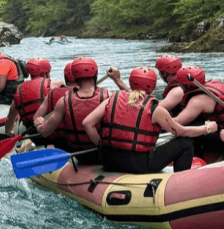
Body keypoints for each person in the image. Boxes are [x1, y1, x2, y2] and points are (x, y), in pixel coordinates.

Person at [82, 68, 215, 174]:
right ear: (152, 86)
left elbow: (87, 123)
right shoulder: (156, 110)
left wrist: (101, 146)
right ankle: (181, 183)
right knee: (185, 143)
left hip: (108, 161)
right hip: (139, 165)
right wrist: (208, 128)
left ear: (131, 82)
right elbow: (181, 132)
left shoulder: (111, 99)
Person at [33, 57, 109, 164]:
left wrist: (38, 124)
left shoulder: (64, 101)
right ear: (95, 74)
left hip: (79, 154)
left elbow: (45, 132)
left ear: (74, 76)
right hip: (104, 152)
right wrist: (117, 80)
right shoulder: (109, 97)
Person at [4, 58, 59, 137]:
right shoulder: (55, 85)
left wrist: (8, 135)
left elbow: (9, 119)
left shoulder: (19, 91)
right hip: (52, 133)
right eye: (48, 73)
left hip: (32, 135)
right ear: (44, 74)